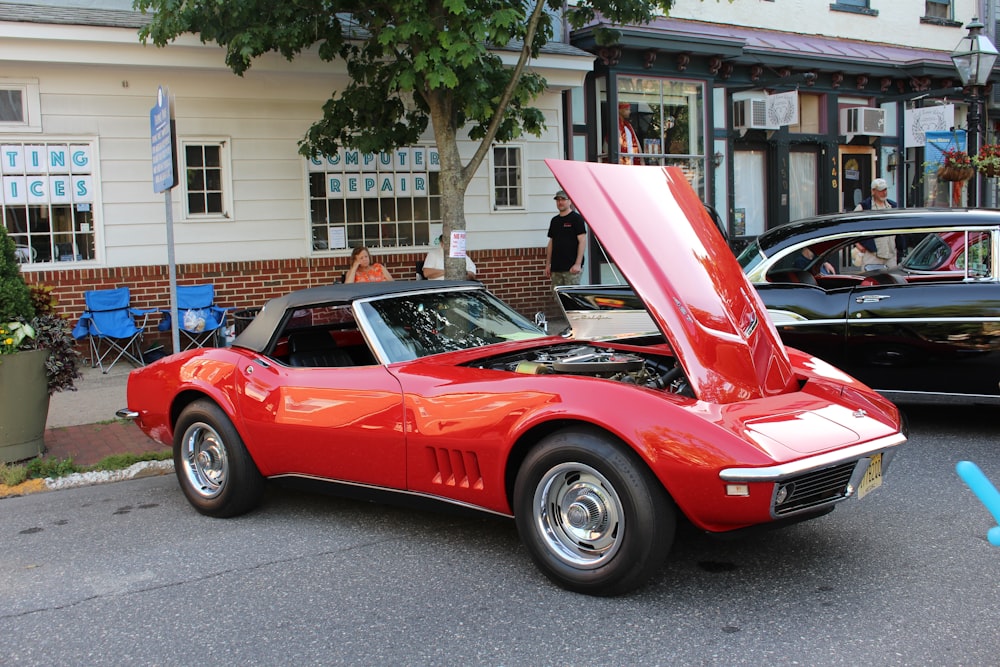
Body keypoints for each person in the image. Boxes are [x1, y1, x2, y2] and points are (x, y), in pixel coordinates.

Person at [545, 190, 587, 286]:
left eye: (563, 199)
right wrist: (548, 264)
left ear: (570, 201)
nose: (560, 202)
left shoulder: (577, 219)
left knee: (571, 298)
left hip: (572, 269)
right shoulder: (554, 221)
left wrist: (578, 264)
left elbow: (582, 241)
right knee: (558, 297)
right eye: (558, 200)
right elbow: (551, 242)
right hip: (556, 268)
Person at [854, 178, 897, 266]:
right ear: (873, 191)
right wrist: (857, 244)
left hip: (891, 255)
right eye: (881, 190)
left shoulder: (893, 206)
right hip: (872, 255)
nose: (884, 192)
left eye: (885, 189)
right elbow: (850, 226)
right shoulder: (864, 207)